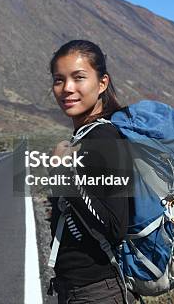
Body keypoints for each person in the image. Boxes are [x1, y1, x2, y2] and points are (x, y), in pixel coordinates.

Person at [47, 40, 136, 304]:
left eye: (79, 77)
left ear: (102, 83)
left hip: (98, 292)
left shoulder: (104, 139)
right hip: (78, 289)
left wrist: (61, 175)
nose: (67, 89)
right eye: (58, 80)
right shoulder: (85, 137)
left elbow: (115, 226)